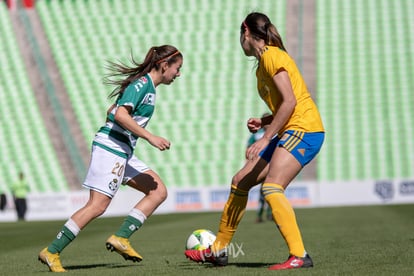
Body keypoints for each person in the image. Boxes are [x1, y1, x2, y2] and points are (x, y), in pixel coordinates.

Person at [185, 12, 324, 270]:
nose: (240, 42)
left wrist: (265, 137)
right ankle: (218, 251)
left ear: (246, 32)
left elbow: (292, 101)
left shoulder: (272, 56)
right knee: (240, 182)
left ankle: (299, 256)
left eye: (240, 36)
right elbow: (285, 103)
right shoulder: (263, 64)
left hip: (305, 130)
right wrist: (265, 122)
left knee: (271, 188)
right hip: (290, 130)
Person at [38, 45, 183, 272]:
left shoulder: (147, 87)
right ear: (165, 65)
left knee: (158, 191)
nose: (179, 74)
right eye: (177, 68)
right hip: (111, 148)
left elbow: (111, 110)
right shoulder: (142, 85)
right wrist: (149, 137)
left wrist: (132, 132)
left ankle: (121, 237)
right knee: (97, 205)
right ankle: (52, 251)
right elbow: (119, 114)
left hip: (123, 150)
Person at [246, 113, 272, 223]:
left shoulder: (274, 133)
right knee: (264, 192)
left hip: (272, 164)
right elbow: (249, 147)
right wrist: (248, 161)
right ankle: (260, 215)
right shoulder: (258, 135)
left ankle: (270, 214)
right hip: (260, 164)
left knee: (271, 190)